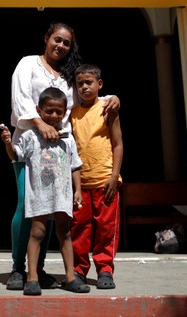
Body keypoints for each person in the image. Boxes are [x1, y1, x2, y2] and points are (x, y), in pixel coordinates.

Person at [1, 22, 119, 291]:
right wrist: (40, 124)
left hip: (58, 151)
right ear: (46, 38)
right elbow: (19, 99)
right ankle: (18, 268)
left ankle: (39, 270)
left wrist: (114, 97)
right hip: (29, 147)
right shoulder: (28, 64)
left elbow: (85, 97)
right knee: (26, 207)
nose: (61, 46)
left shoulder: (67, 75)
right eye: (57, 39)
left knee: (53, 214)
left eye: (66, 43)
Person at [1, 88, 90, 296]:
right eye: (49, 111)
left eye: (59, 112)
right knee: (37, 232)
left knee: (65, 233)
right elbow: (16, 155)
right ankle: (32, 277)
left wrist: (78, 190)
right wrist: (7, 142)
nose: (54, 116)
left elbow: (75, 166)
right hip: (40, 196)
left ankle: (70, 276)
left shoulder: (67, 139)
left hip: (63, 196)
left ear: (65, 112)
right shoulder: (31, 136)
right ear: (39, 110)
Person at [70, 63, 123, 290]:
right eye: (80, 83)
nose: (84, 87)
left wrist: (114, 176)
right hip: (81, 184)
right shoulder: (72, 114)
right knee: (79, 228)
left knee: (106, 228)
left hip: (104, 181)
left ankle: (105, 269)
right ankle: (79, 270)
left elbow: (118, 145)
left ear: (99, 84)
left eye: (89, 82)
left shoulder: (107, 109)